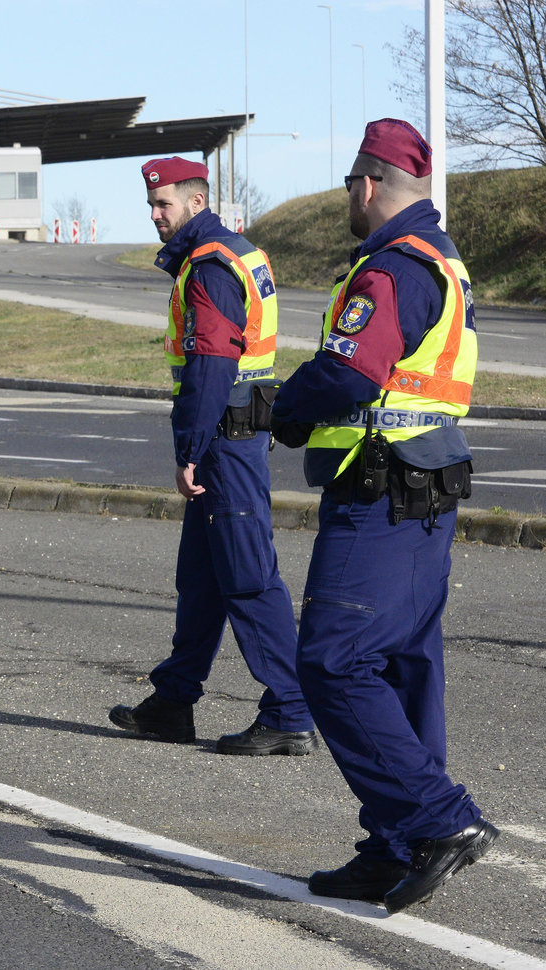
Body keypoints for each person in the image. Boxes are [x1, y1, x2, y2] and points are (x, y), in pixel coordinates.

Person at [270, 119, 496, 913]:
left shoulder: (389, 269)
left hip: (377, 497)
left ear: (366, 184)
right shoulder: (440, 262)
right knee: (402, 667)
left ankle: (437, 821)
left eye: (346, 186)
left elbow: (349, 372)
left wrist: (283, 406)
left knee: (332, 662)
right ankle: (395, 842)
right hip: (421, 496)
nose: (346, 198)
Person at [107, 157, 316, 757]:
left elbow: (211, 367)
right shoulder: (234, 252)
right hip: (232, 438)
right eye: (151, 205)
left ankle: (290, 712)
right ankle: (173, 703)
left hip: (224, 444)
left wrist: (189, 452)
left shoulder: (210, 267)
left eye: (163, 204)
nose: (154, 215)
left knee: (249, 578)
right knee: (200, 581)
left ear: (196, 202)